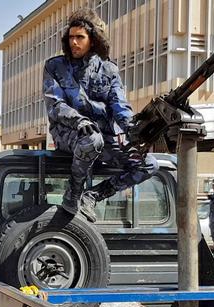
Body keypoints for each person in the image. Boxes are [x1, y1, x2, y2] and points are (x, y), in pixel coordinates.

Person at [42, 8, 158, 223]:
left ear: (93, 40)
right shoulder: (55, 67)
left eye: (80, 38)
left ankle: (93, 195)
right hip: (68, 133)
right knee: (91, 138)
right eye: (71, 37)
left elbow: (119, 105)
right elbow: (55, 105)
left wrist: (133, 129)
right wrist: (79, 120)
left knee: (149, 164)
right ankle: (73, 194)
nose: (73, 43)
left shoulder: (109, 70)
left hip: (104, 139)